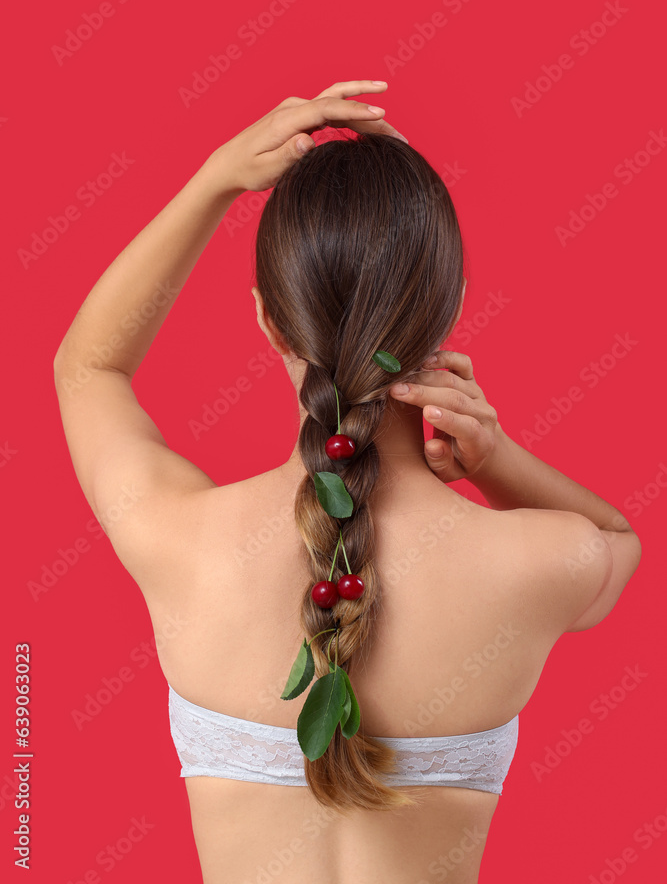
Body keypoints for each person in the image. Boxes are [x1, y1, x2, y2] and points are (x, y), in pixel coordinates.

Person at [53, 80, 641, 884]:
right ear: (450, 309)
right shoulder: (540, 560)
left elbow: (88, 368)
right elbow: (620, 543)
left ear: (266, 318)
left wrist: (216, 178)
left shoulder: (176, 535)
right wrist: (494, 457)